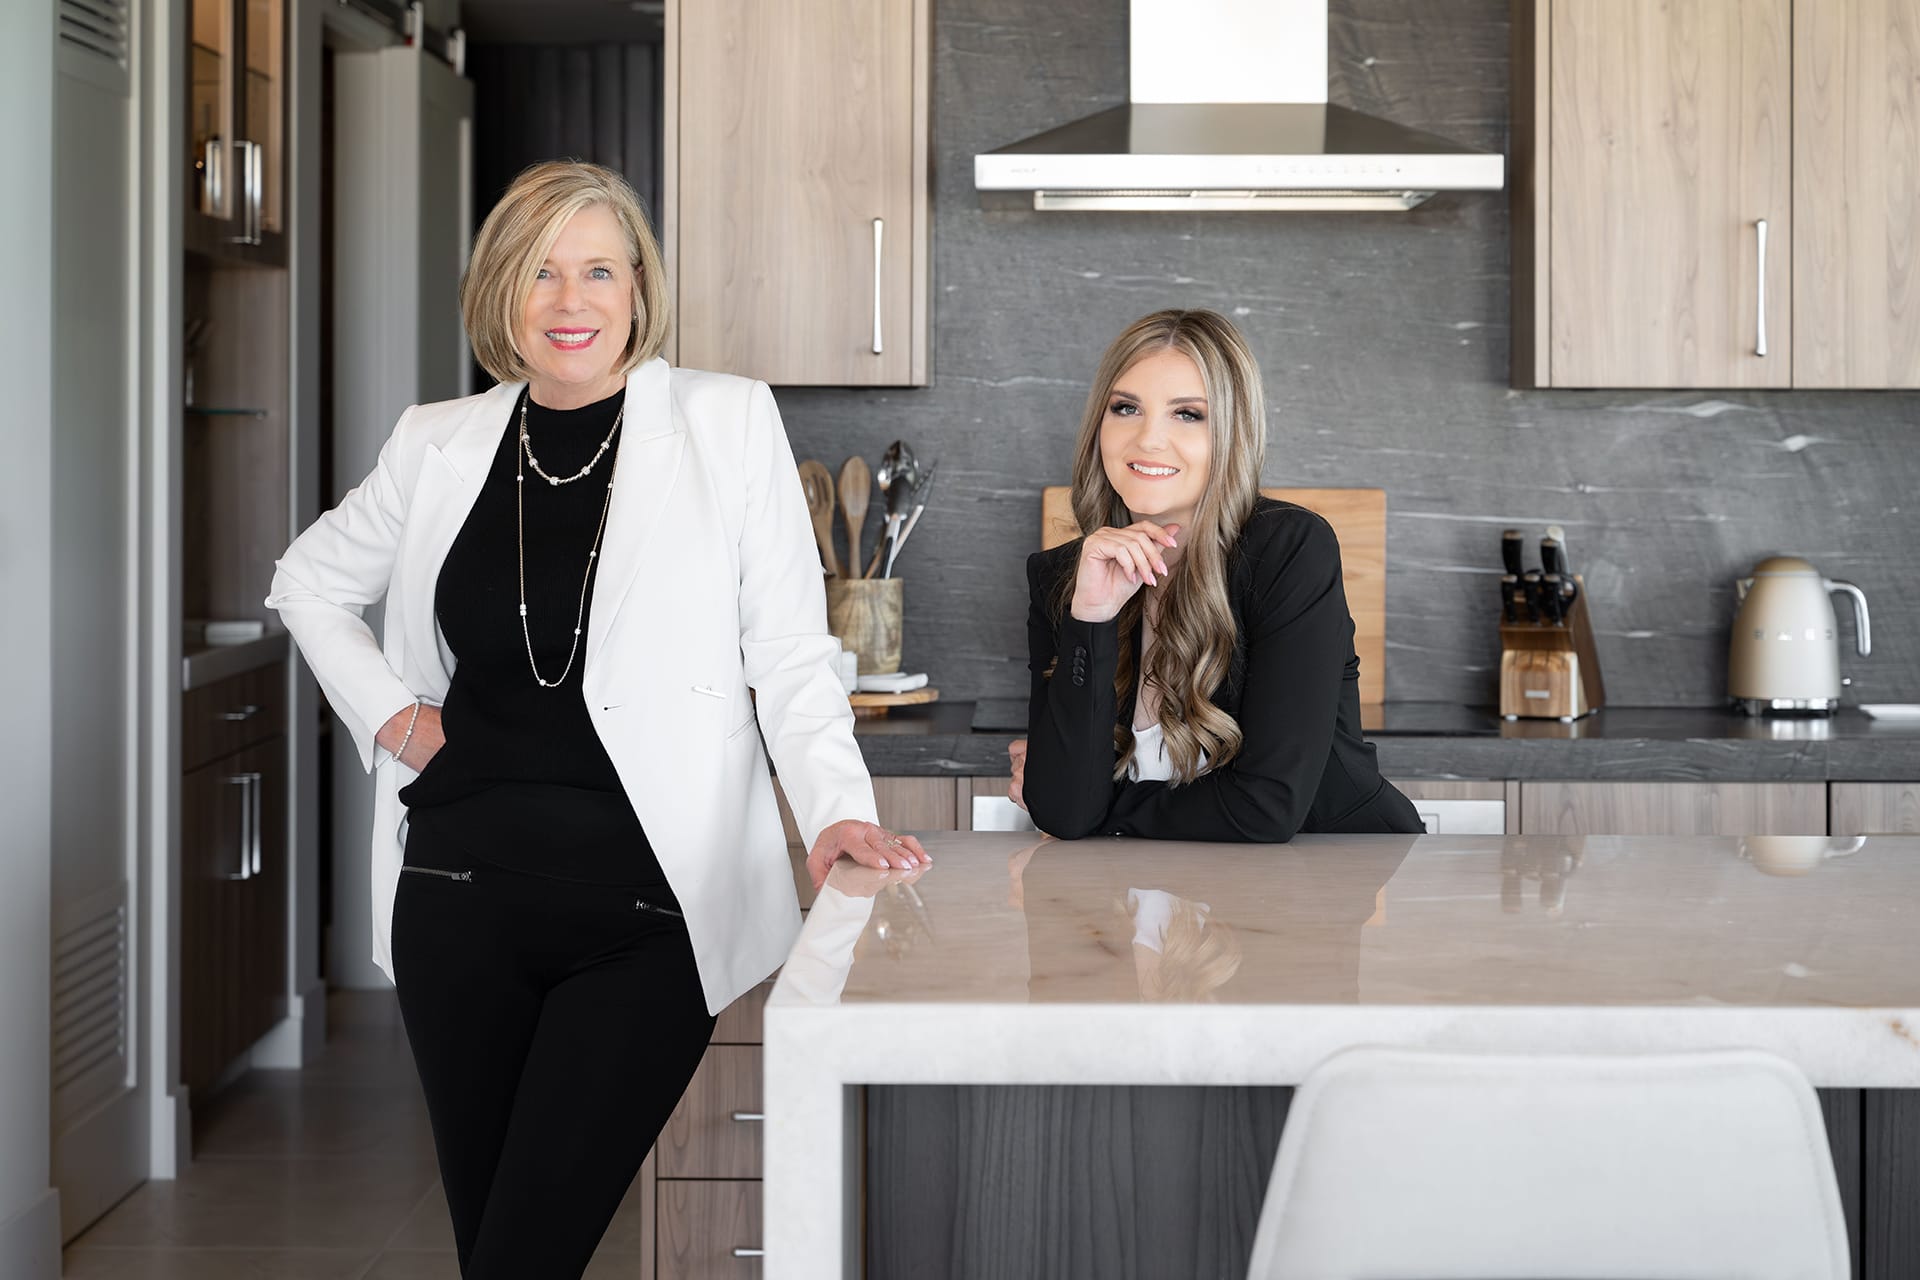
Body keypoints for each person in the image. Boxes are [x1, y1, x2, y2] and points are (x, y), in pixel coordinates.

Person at [266, 160, 926, 1278]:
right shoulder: (439, 440)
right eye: (539, 272)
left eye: (598, 270)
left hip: (647, 913)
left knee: (524, 1252)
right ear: (500, 295)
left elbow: (788, 648)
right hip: (458, 903)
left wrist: (834, 811)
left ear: (636, 289)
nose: (570, 301)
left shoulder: (723, 422)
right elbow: (306, 580)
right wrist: (396, 720)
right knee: (502, 1253)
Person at [1009, 308, 1422, 842]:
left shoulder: (1288, 550)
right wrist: (1091, 617)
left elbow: (1267, 806)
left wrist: (1103, 808)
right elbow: (1065, 814)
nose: (1148, 440)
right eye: (1126, 408)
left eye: (1188, 414)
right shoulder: (1064, 575)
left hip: (1328, 881)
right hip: (1153, 898)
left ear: (1232, 431)